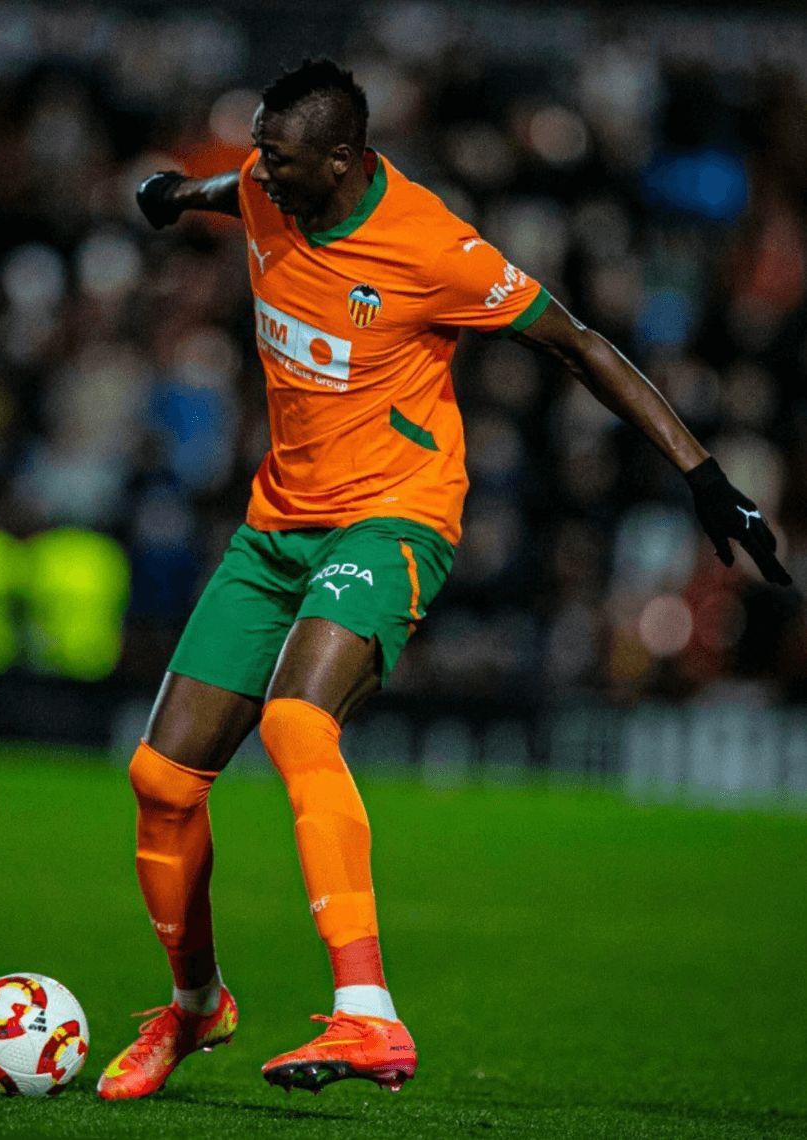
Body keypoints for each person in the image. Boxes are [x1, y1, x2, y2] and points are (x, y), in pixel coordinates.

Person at [96, 58, 791, 1102]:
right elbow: (223, 188)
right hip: (277, 526)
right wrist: (172, 199)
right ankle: (198, 1007)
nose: (261, 179)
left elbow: (580, 344)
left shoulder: (428, 246)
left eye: (280, 164)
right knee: (162, 784)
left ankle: (368, 1015)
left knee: (296, 723)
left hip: (396, 515)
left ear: (344, 159)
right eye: (259, 159)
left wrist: (704, 477)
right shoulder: (263, 186)